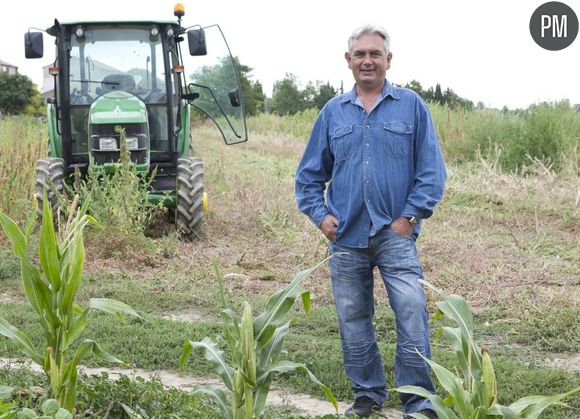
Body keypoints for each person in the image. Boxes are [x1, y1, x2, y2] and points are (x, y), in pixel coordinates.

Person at [295, 24, 446, 418]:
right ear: (348, 61)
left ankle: (418, 401)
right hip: (345, 236)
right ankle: (367, 395)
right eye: (359, 54)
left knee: (412, 311)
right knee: (353, 318)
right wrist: (320, 216)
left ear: (388, 60)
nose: (367, 60)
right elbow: (309, 176)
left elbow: (431, 172)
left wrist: (409, 217)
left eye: (375, 54)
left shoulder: (411, 106)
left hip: (395, 233)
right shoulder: (332, 113)